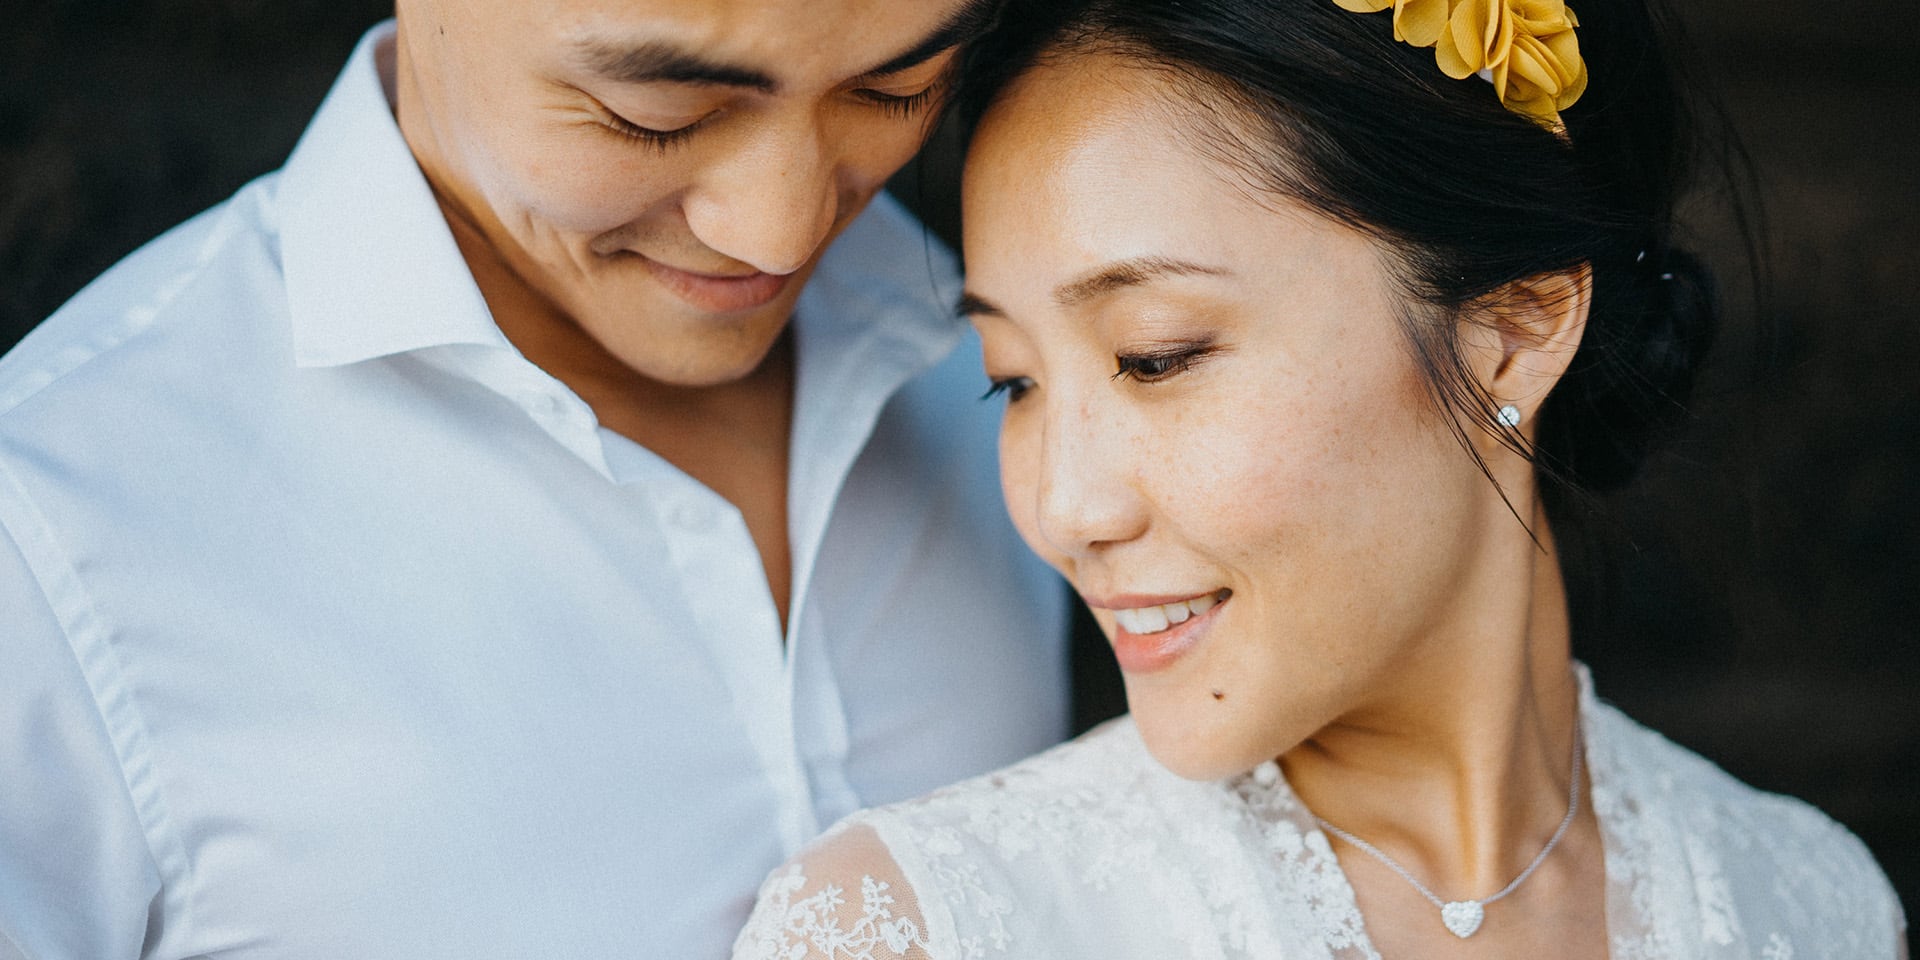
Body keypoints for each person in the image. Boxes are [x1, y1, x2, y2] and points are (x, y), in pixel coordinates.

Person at [732, 0, 1909, 956]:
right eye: (1014, 380)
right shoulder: (917, 928)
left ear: (1512, 326)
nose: (1066, 510)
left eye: (1156, 356)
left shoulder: (1812, 905)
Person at [0, 0, 1074, 956]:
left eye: (895, 88)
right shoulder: (46, 542)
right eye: (654, 113)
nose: (781, 230)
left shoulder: (1007, 353)